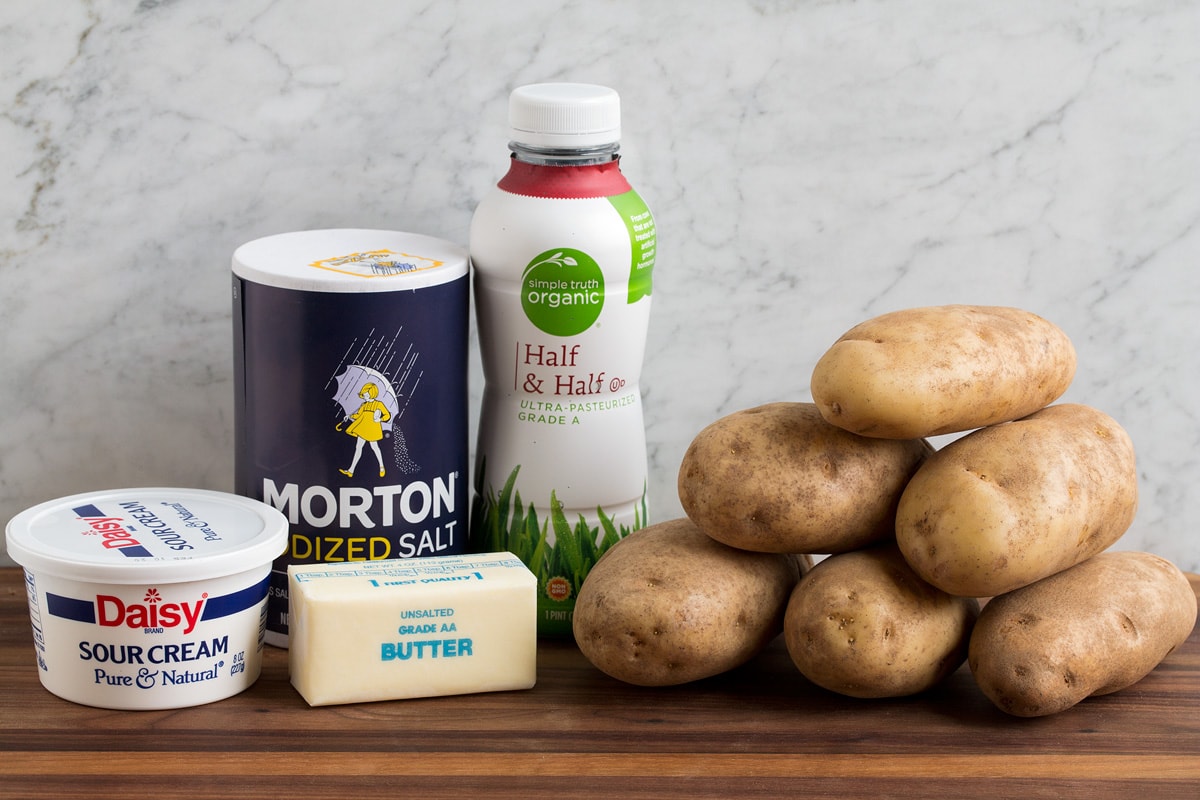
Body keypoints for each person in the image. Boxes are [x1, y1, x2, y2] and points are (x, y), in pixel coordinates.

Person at [339, 382, 391, 478]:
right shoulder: (363, 405)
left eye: (366, 395)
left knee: (375, 447)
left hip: (372, 429)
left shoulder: (379, 404)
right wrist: (349, 416)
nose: (364, 397)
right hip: (362, 428)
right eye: (363, 395)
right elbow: (358, 416)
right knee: (358, 448)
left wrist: (380, 419)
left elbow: (387, 415)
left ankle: (382, 466)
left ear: (372, 393)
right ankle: (351, 470)